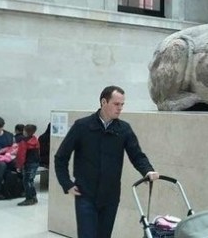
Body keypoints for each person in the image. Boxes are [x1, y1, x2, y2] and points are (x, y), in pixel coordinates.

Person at [54, 85, 160, 238]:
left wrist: (147, 170)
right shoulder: (82, 126)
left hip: (110, 196)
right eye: (116, 104)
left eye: (122, 104)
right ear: (104, 102)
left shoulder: (124, 129)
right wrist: (67, 184)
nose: (120, 108)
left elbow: (137, 155)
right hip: (85, 195)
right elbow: (60, 157)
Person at [16, 124, 40, 206]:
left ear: (25, 131)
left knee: (26, 181)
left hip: (28, 163)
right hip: (35, 163)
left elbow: (21, 155)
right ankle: (34, 197)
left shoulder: (24, 142)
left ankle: (29, 198)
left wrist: (19, 166)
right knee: (31, 180)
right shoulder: (35, 139)